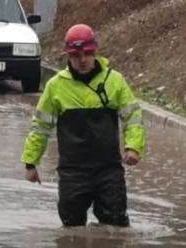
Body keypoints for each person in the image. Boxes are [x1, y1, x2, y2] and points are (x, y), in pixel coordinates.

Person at [21, 24, 146, 228]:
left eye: (87, 54)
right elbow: (40, 128)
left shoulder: (114, 81)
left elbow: (133, 117)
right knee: (71, 228)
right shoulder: (56, 86)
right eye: (76, 55)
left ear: (95, 52)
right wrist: (30, 163)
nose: (82, 60)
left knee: (116, 225)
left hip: (109, 170)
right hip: (72, 172)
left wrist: (133, 147)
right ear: (68, 56)